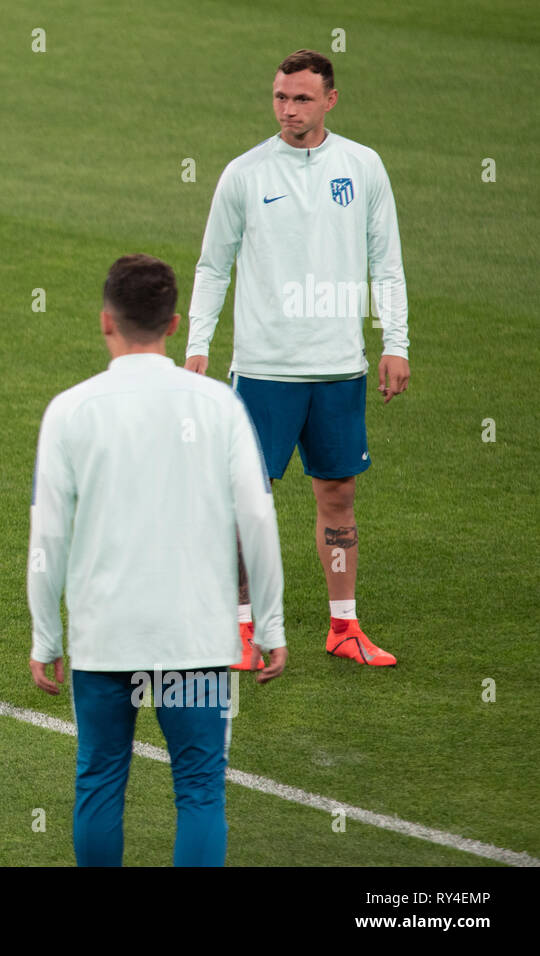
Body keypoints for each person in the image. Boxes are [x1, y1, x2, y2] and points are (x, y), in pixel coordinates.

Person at [28, 253, 287, 867]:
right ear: (174, 324)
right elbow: (256, 519)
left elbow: (48, 537)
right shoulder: (219, 406)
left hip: (105, 639)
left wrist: (46, 637)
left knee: (99, 783)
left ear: (105, 321)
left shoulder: (71, 410)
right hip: (195, 638)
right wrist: (269, 625)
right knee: (199, 792)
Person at [184, 49, 409, 669]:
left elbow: (386, 262)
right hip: (264, 370)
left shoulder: (363, 167)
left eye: (302, 98)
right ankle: (239, 629)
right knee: (247, 503)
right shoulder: (246, 174)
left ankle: (343, 626)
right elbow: (212, 265)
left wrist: (397, 342)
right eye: (281, 97)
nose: (289, 109)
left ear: (330, 100)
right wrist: (197, 345)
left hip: (340, 368)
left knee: (338, 497)